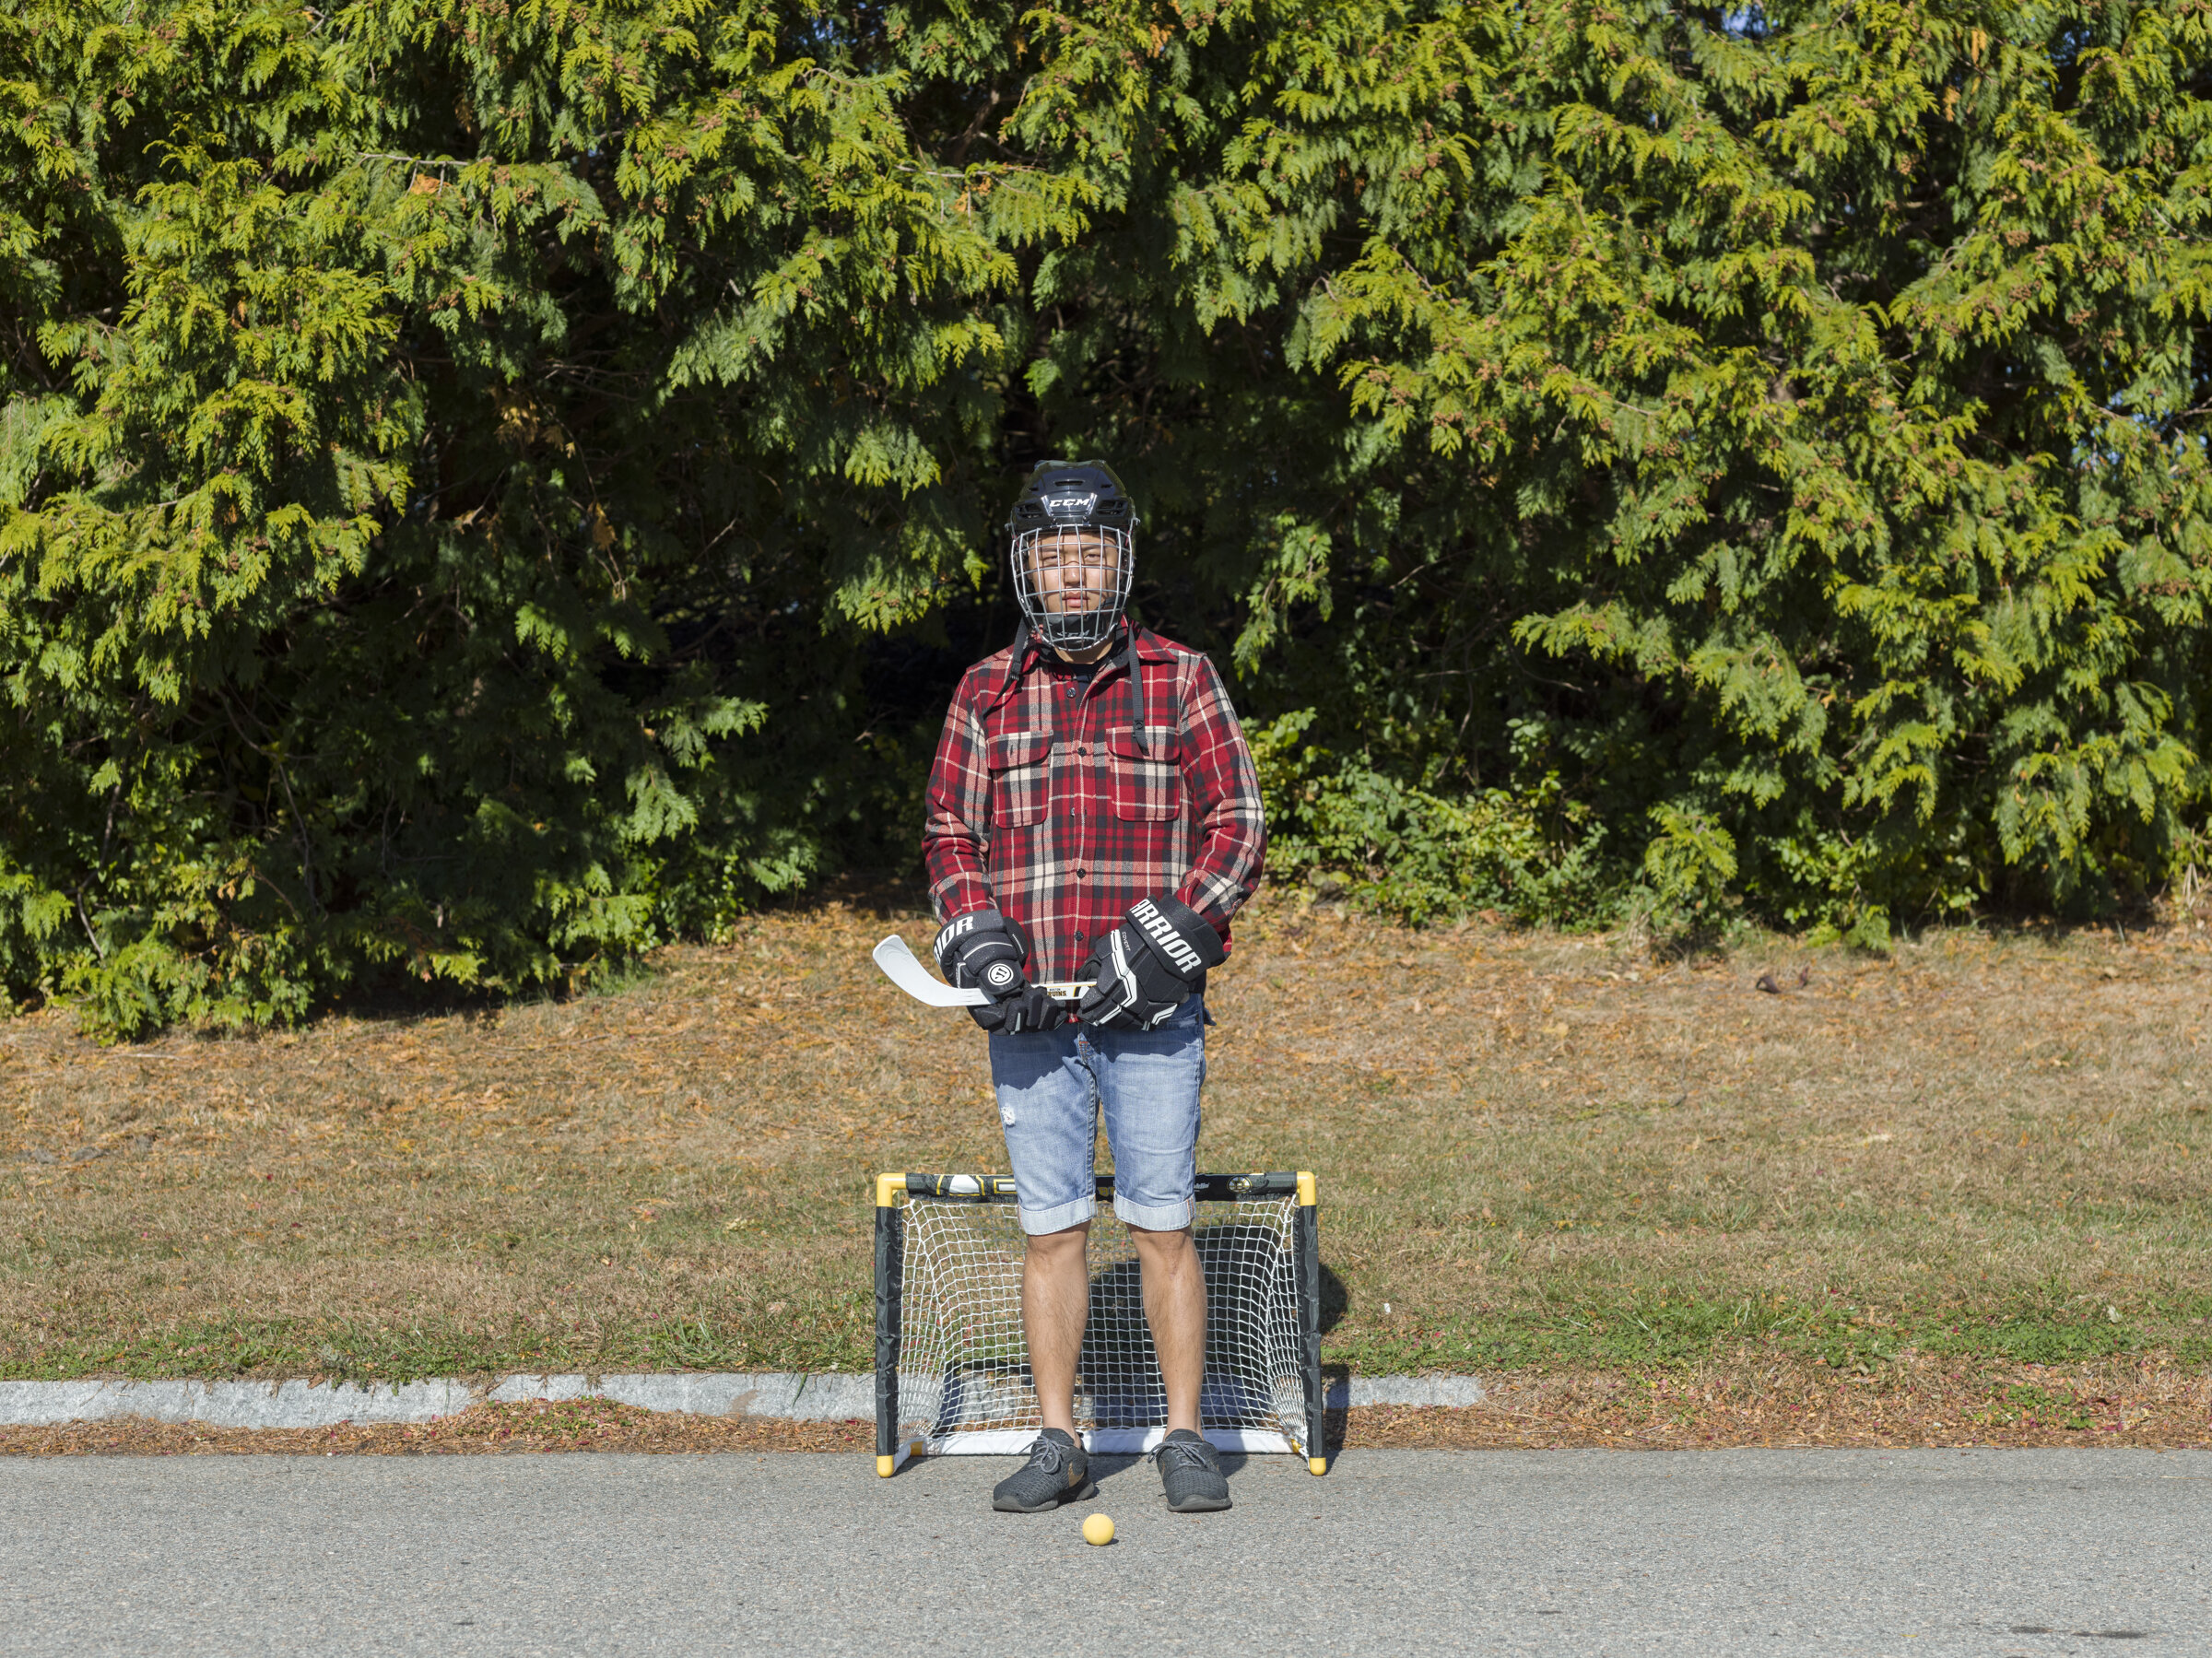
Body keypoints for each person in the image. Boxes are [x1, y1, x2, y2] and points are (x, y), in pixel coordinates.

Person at [921, 460, 1266, 1514]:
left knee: (1161, 1222)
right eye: (1053, 556)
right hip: (1036, 1017)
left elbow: (1239, 823)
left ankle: (1186, 1433)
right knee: (1052, 1227)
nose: (1072, 576)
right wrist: (981, 945)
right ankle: (1061, 1435)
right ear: (1027, 564)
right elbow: (949, 834)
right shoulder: (985, 688)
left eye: (1089, 553)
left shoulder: (1183, 676)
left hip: (1153, 1011)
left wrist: (1176, 934)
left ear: (1120, 558)